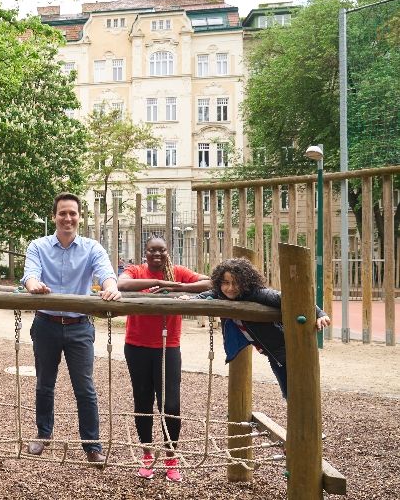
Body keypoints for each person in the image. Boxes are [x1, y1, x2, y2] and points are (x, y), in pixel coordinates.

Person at [22, 192, 122, 465]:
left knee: (85, 387)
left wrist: (111, 288)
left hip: (79, 326)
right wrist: (33, 286)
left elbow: (106, 273)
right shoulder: (38, 246)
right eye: (62, 213)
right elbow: (30, 273)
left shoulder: (91, 248)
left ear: (79, 217)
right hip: (46, 324)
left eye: (72, 213)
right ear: (54, 216)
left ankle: (92, 444)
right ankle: (43, 434)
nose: (68, 218)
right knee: (44, 384)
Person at [117, 236, 212, 482]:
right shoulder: (136, 271)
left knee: (170, 405)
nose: (157, 255)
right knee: (143, 402)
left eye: (162, 251)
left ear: (167, 252)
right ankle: (147, 454)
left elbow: (210, 283)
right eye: (152, 251)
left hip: (168, 347)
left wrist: (177, 287)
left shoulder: (178, 272)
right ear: (145, 252)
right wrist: (159, 282)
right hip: (137, 346)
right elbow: (121, 284)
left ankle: (171, 456)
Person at [181, 257, 331, 399]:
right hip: (273, 355)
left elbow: (291, 300)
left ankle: (303, 424)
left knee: (297, 394)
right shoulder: (220, 294)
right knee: (290, 394)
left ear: (246, 283)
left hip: (287, 351)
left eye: (236, 283)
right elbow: (207, 295)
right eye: (226, 282)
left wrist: (320, 313)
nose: (230, 288)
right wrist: (190, 299)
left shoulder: (257, 294)